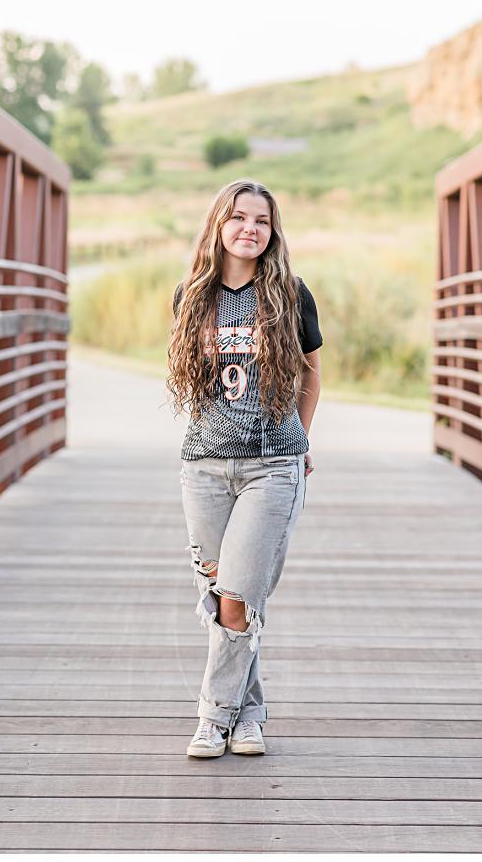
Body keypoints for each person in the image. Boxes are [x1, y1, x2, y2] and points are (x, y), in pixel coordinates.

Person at [167, 179, 322, 758]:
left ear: (272, 231)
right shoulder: (191, 296)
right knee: (225, 596)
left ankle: (211, 718)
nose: (249, 228)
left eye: (261, 220)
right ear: (218, 226)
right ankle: (250, 715)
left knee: (237, 595)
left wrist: (300, 438)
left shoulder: (290, 293)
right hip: (204, 467)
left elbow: (311, 373)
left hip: (272, 465)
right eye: (237, 218)